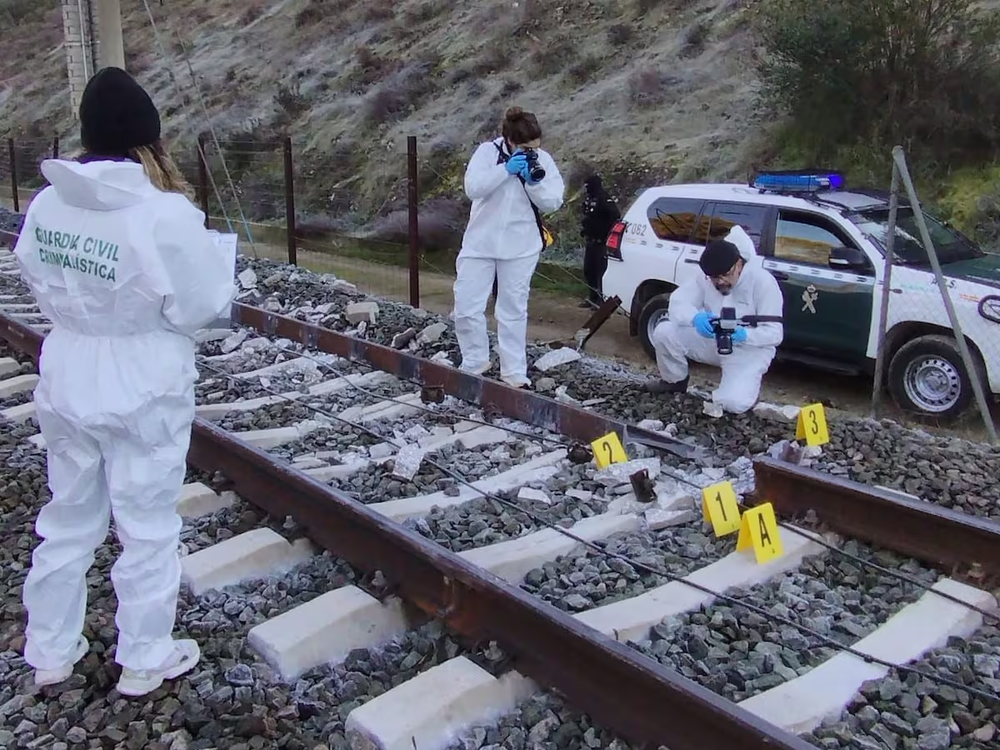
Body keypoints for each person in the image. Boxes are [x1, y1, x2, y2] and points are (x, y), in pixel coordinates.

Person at [12, 67, 236, 696]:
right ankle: (144, 657)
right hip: (144, 378)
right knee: (147, 524)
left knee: (67, 516)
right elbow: (200, 307)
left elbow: (34, 273)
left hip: (68, 368)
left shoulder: (48, 202)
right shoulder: (164, 214)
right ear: (149, 141)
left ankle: (50, 650)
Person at [452, 106, 565, 388]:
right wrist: (506, 170)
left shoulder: (543, 160)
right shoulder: (487, 153)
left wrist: (531, 181)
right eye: (526, 147)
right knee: (466, 306)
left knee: (512, 310)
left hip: (521, 246)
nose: (532, 152)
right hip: (480, 242)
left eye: (536, 147)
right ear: (510, 141)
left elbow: (552, 202)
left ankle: (514, 371)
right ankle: (475, 359)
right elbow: (473, 188)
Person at [646, 227, 783, 413]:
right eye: (714, 278)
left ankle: (745, 389)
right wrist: (695, 318)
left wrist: (743, 334)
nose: (719, 282)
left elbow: (775, 334)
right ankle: (674, 381)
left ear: (739, 265)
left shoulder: (763, 282)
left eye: (724, 276)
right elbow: (677, 303)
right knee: (664, 332)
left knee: (732, 404)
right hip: (713, 341)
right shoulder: (706, 277)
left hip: (748, 350)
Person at [579, 174, 620, 308]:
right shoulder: (590, 198)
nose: (586, 188)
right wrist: (587, 228)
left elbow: (615, 216)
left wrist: (604, 232)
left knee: (600, 272)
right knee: (589, 270)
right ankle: (592, 298)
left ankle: (601, 300)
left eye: (588, 186)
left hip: (601, 242)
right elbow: (588, 216)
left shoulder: (604, 199)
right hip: (591, 240)